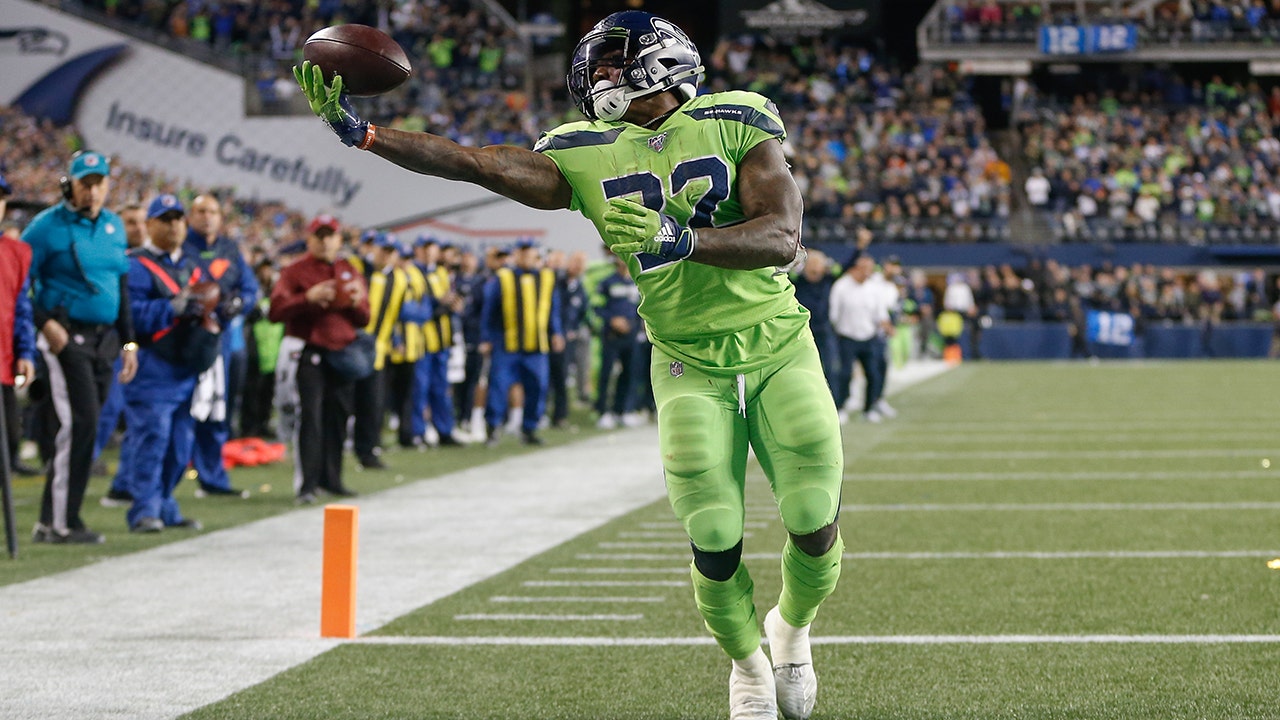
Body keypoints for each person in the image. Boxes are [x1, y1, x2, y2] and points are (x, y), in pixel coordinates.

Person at [295, 12, 844, 718]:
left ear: (664, 61)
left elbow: (781, 235)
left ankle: (790, 632)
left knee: (810, 511)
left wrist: (681, 238)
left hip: (775, 341)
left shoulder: (739, 119)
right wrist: (366, 135)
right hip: (685, 357)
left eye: (616, 62)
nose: (600, 76)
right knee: (710, 530)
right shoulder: (584, 149)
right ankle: (745, 665)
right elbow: (475, 161)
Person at [23, 151, 138, 544]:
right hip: (64, 336)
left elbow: (119, 289)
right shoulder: (43, 228)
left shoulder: (113, 226)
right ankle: (59, 523)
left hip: (104, 338)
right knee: (79, 424)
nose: (92, 190)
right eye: (85, 182)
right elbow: (17, 283)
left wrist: (129, 341)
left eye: (99, 182)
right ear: (68, 184)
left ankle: (55, 519)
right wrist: (45, 323)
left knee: (87, 427)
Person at [120, 194, 217, 533]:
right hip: (152, 365)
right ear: (149, 225)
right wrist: (172, 308)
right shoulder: (134, 264)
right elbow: (130, 315)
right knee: (152, 439)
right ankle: (144, 511)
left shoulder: (190, 263)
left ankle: (165, 506)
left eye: (178, 218)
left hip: (185, 364)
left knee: (179, 445)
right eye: (165, 219)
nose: (174, 224)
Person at [268, 215, 369, 504]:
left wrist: (354, 303)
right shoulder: (294, 271)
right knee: (310, 417)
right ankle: (307, 484)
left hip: (343, 352)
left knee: (338, 417)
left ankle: (332, 479)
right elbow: (275, 311)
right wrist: (307, 298)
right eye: (319, 235)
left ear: (339, 239)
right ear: (309, 239)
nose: (325, 241)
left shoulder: (349, 270)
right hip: (308, 350)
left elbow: (365, 317)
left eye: (330, 235)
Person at [185, 194, 258, 498]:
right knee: (176, 410)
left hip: (220, 340)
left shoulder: (230, 248)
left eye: (212, 211)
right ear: (191, 216)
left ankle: (213, 478)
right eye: (201, 211)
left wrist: (239, 303)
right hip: (183, 338)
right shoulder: (181, 246)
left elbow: (250, 289)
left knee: (217, 409)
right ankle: (143, 484)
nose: (207, 217)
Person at [477, 238, 563, 446]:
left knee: (538, 387)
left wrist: (557, 332)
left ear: (536, 254)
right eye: (522, 252)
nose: (526, 257)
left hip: (537, 345)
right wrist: (486, 338)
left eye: (529, 252)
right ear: (515, 255)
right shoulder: (503, 277)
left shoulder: (547, 277)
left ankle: (529, 429)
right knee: (498, 386)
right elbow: (489, 311)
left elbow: (553, 309)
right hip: (507, 344)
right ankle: (493, 427)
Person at [98, 202, 149, 507]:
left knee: (139, 420)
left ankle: (125, 483)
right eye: (130, 222)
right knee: (106, 410)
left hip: (144, 350)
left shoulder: (151, 260)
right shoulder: (112, 256)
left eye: (142, 222)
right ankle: (79, 464)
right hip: (111, 344)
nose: (138, 228)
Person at [352, 233, 409, 468]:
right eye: (381, 249)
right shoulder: (357, 270)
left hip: (378, 350)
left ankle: (368, 451)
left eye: (390, 251)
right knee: (343, 401)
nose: (385, 255)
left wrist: (397, 339)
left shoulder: (400, 280)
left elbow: (395, 315)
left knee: (373, 404)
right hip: (349, 347)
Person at [1, 171, 38, 486]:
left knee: (9, 440)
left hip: (3, 363)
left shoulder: (15, 252)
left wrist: (25, 351)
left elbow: (22, 309)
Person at [829, 255, 894, 424]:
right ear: (855, 268)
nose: (868, 273)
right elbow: (834, 314)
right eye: (864, 268)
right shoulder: (841, 286)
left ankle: (869, 408)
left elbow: (881, 313)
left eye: (870, 269)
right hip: (847, 336)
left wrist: (887, 326)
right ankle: (841, 407)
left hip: (869, 336)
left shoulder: (874, 288)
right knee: (844, 374)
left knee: (873, 373)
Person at [410, 236, 462, 446]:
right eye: (425, 248)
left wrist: (455, 304)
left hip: (442, 339)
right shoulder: (412, 272)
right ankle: (418, 432)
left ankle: (444, 431)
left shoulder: (441, 272)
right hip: (422, 339)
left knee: (441, 388)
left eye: (432, 248)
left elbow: (449, 301)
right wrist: (441, 303)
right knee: (420, 388)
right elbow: (418, 305)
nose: (429, 252)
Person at [594, 253, 641, 430]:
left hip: (632, 334)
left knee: (630, 373)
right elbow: (596, 306)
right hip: (611, 335)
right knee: (606, 373)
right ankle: (603, 412)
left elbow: (643, 306)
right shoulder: (606, 282)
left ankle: (623, 410)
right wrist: (611, 319)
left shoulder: (638, 281)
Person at [790, 249, 837, 397]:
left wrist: (859, 248)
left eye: (819, 264)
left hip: (824, 329)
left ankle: (833, 400)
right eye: (812, 264)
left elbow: (846, 267)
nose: (815, 268)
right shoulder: (797, 281)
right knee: (799, 368)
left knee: (831, 367)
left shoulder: (828, 280)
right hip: (801, 330)